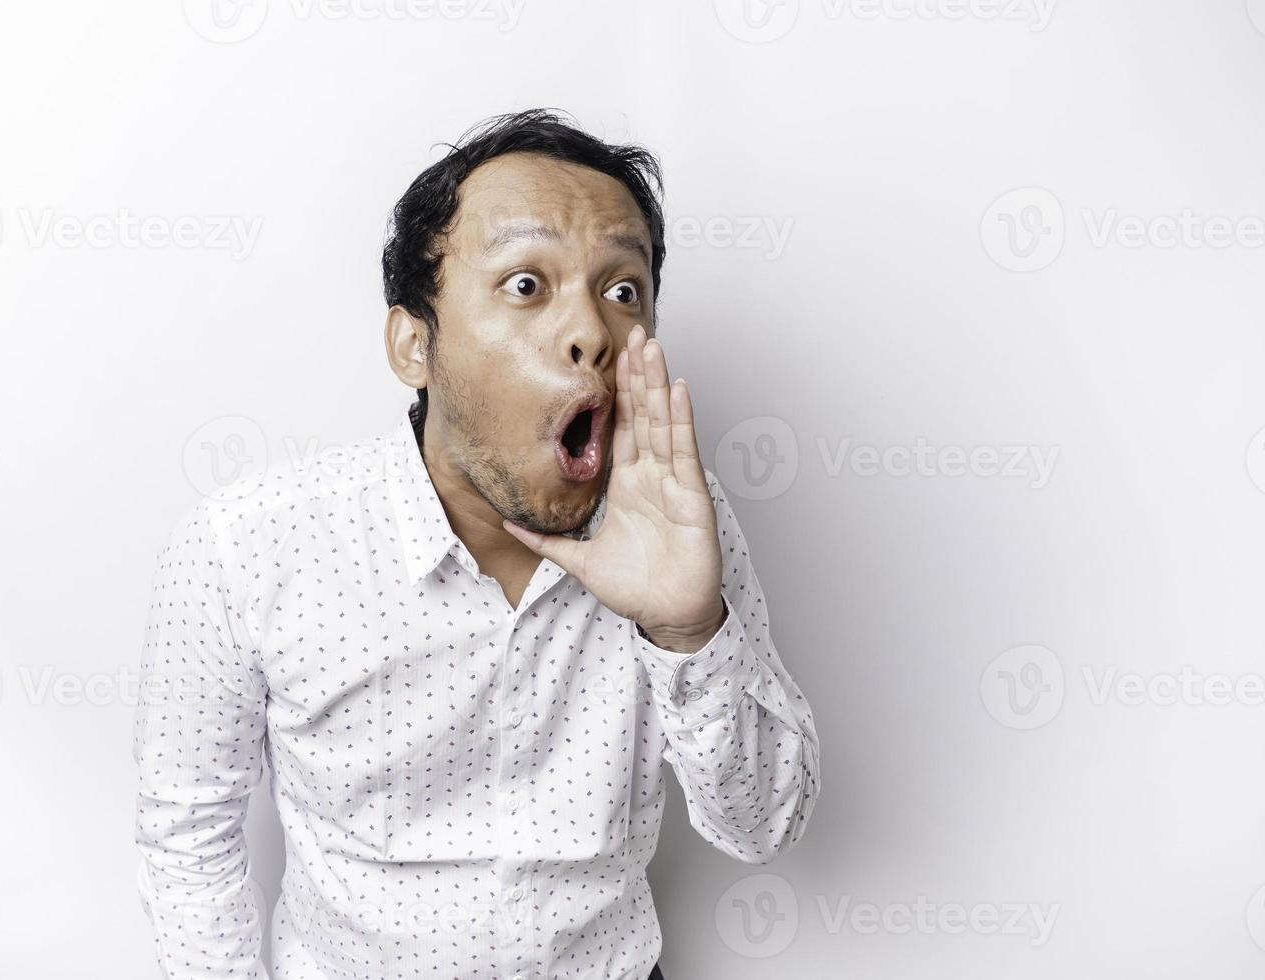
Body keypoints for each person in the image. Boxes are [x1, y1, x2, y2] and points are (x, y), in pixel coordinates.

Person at [133, 108, 821, 980]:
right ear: (413, 343)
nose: (594, 333)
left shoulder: (680, 520)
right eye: (527, 284)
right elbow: (187, 836)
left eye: (623, 291)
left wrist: (690, 630)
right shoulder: (248, 547)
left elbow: (764, 827)